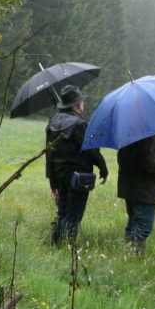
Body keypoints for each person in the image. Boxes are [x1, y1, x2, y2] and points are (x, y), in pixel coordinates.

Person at [45, 85, 108, 246]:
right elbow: (91, 150)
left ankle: (56, 244)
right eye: (82, 102)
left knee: (62, 212)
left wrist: (52, 182)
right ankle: (68, 248)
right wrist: (103, 168)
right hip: (78, 178)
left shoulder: (53, 121)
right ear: (78, 105)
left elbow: (49, 154)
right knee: (73, 215)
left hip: (59, 175)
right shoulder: (80, 124)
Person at [117, 134, 155, 255]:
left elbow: (124, 161)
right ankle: (135, 258)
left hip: (129, 188)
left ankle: (128, 256)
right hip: (144, 191)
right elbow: (151, 166)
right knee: (142, 227)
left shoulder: (126, 137)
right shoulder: (148, 139)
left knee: (133, 224)